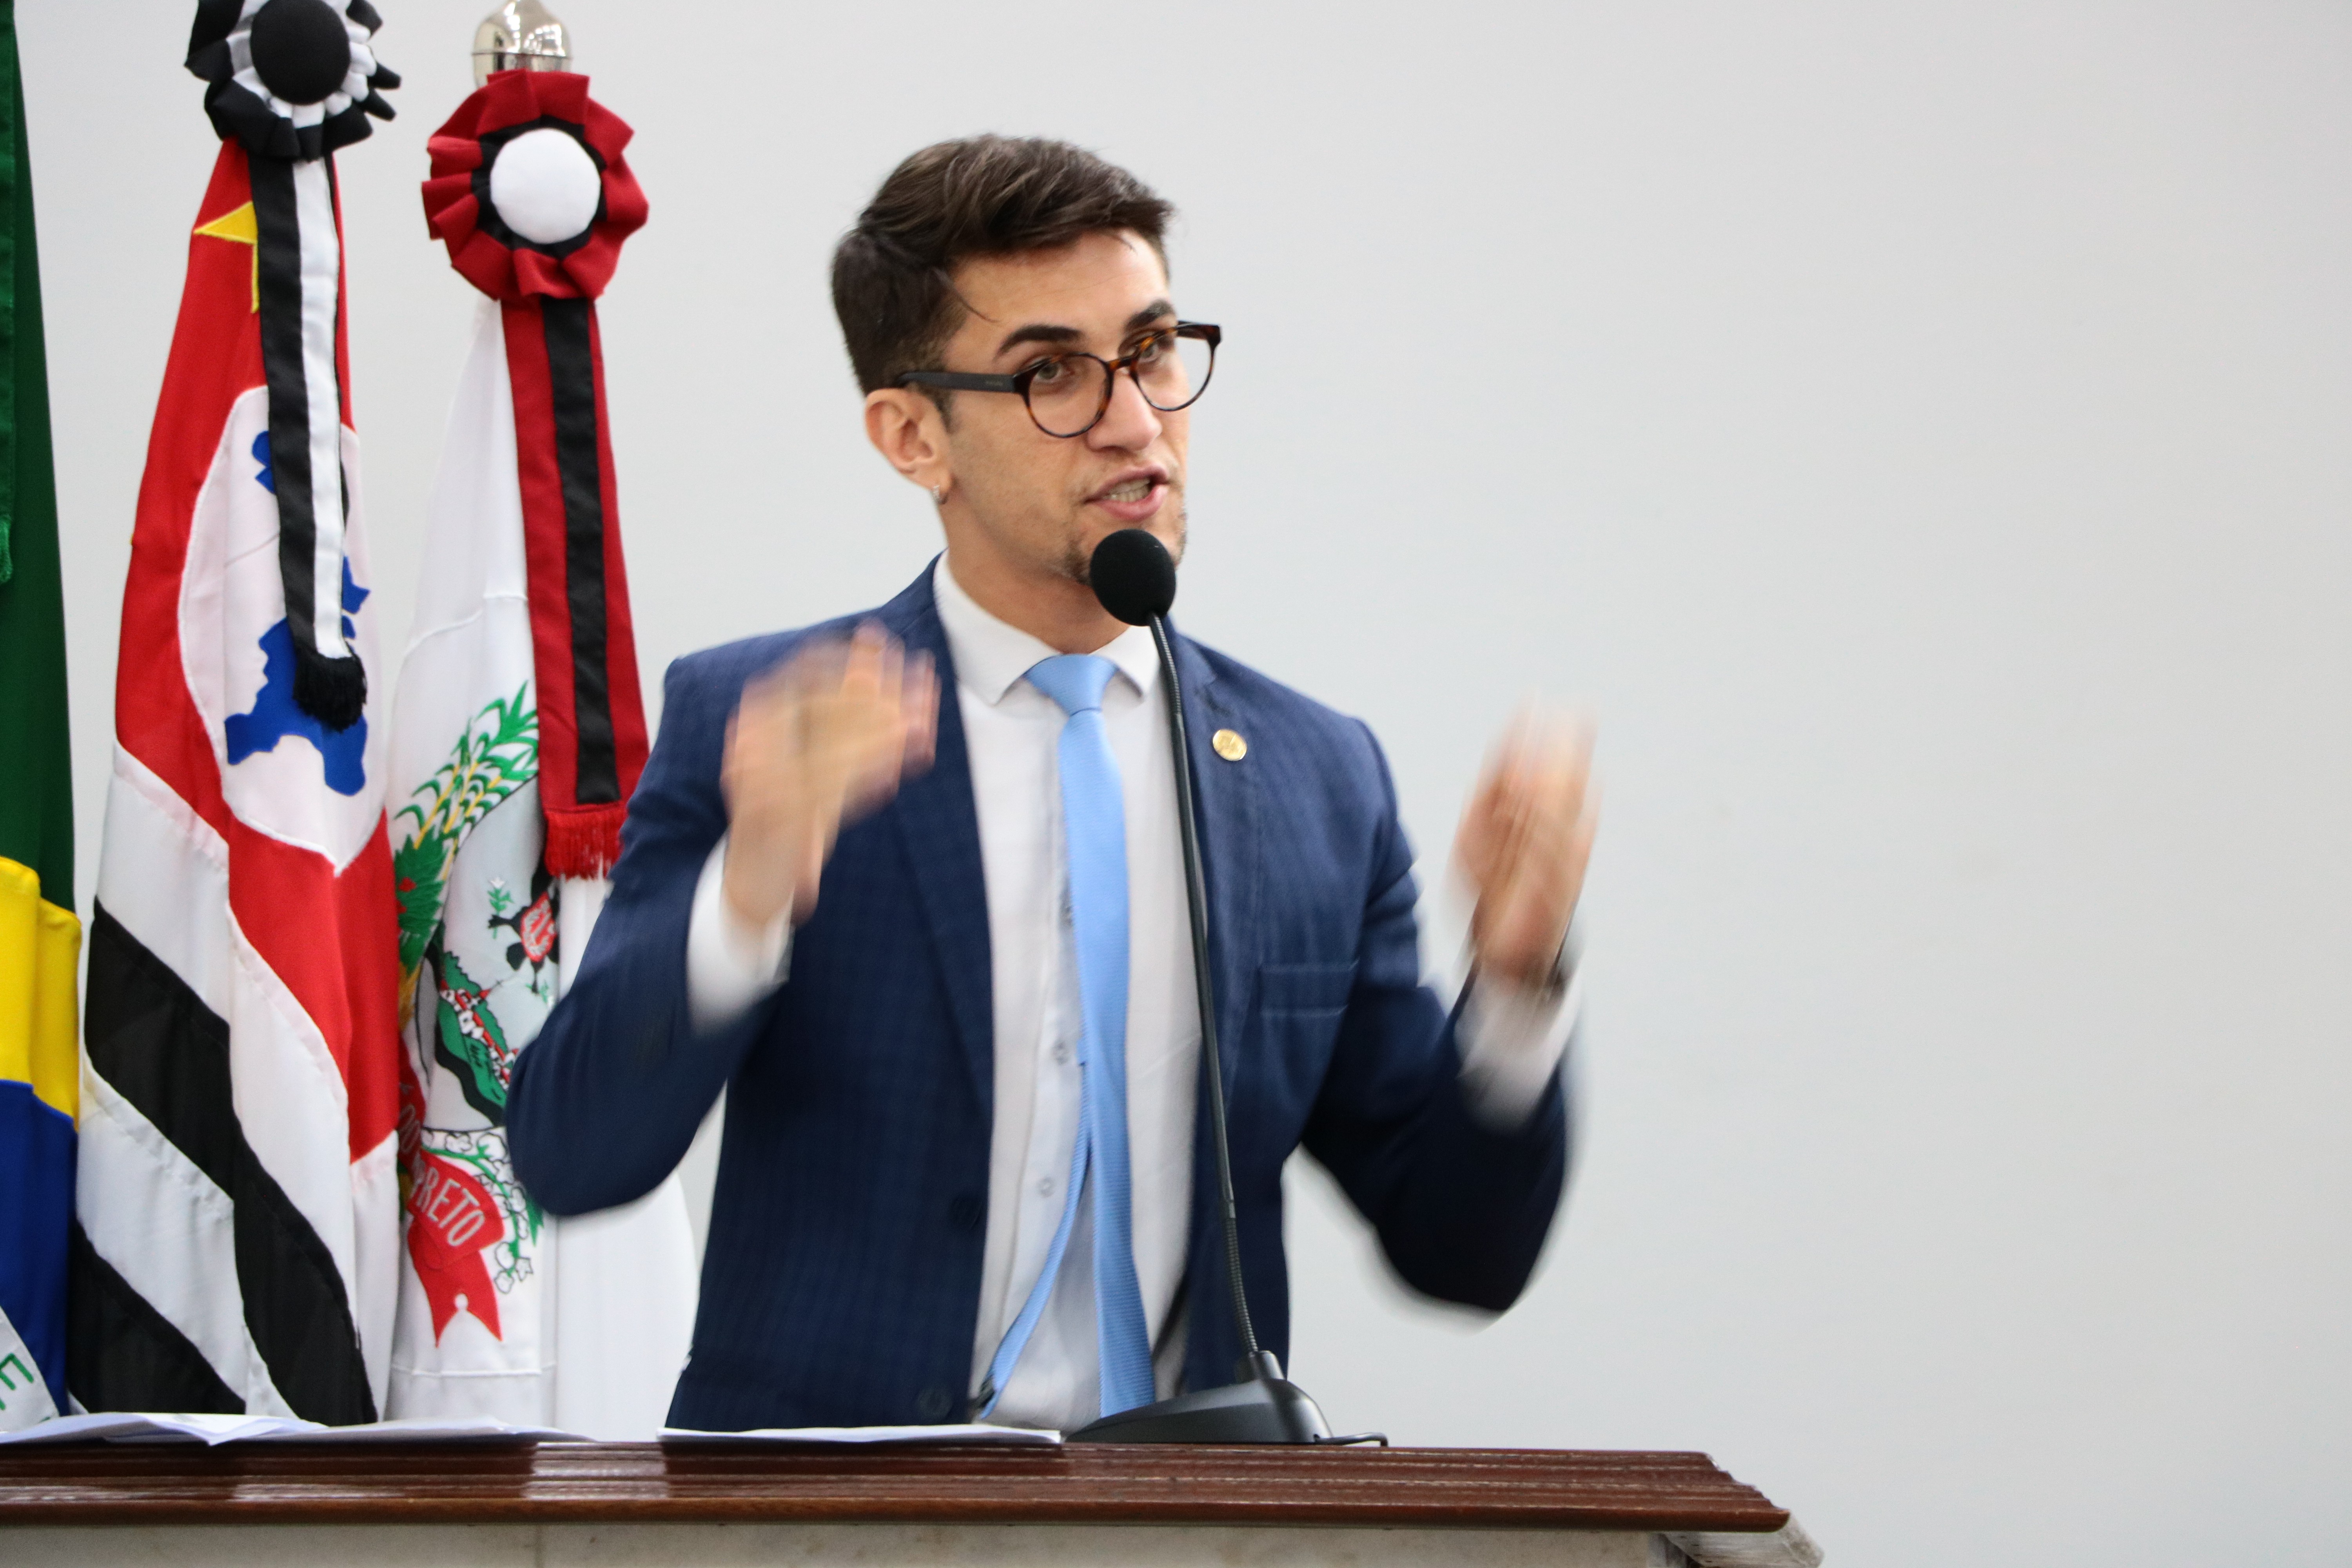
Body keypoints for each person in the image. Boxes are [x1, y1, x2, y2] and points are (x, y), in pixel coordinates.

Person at [507, 136, 1599, 1434]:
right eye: (1052, 376)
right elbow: (575, 1156)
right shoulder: (766, 725)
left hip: (1195, 1511)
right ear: (915, 436)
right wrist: (746, 899)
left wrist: (1516, 985)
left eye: (1152, 351)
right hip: (831, 1512)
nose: (1136, 422)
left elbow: (1460, 1249)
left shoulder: (1316, 775)